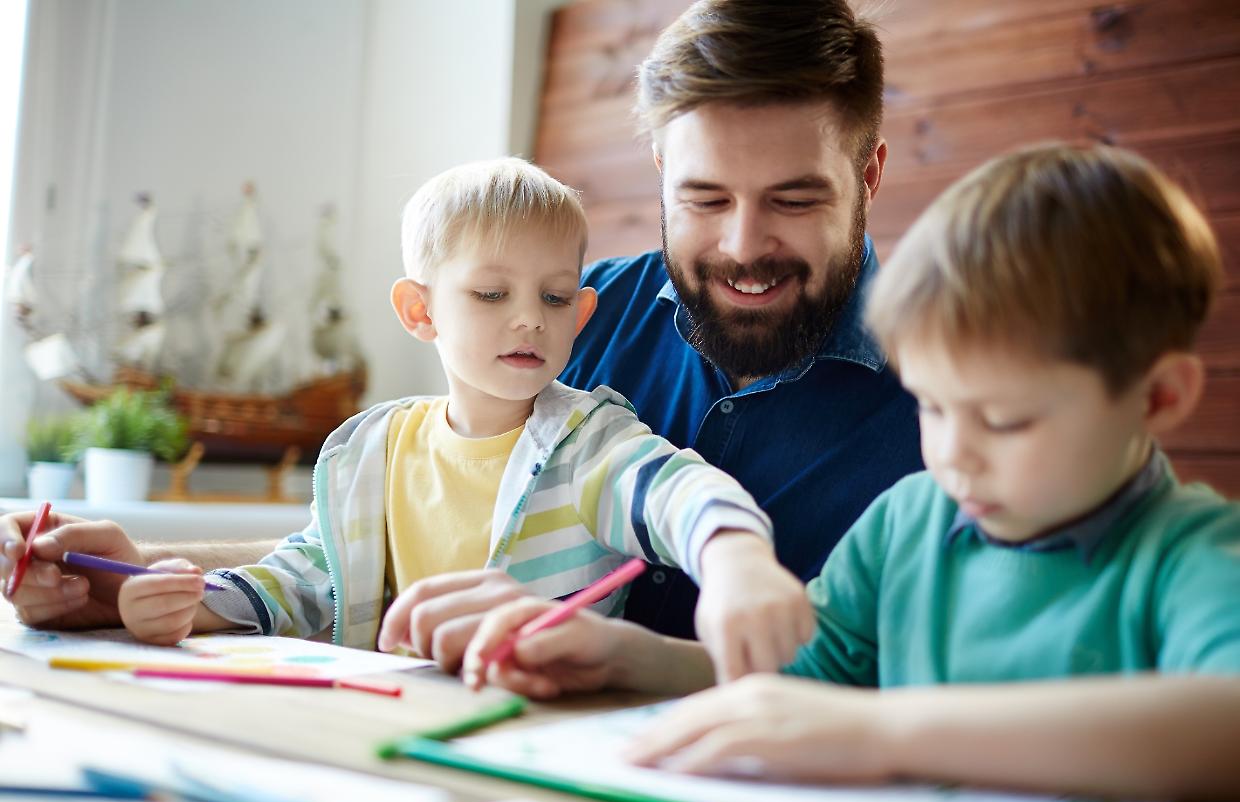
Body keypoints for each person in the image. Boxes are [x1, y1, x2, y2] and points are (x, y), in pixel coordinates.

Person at [2, 0, 922, 661]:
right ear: (658, 169)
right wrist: (140, 579)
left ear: (871, 174)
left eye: (795, 200)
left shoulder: (956, 397)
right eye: (705, 197)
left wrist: (639, 657)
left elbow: (933, 686)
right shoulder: (567, 317)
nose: (743, 245)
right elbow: (370, 542)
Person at [457, 144, 1240, 802]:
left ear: (1159, 396)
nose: (953, 455)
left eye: (1004, 420)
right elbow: (800, 682)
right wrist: (626, 655)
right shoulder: (911, 520)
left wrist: (884, 733)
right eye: (932, 407)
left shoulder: (1190, 554)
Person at [106, 158, 811, 671]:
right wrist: (197, 601)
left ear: (582, 315)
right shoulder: (371, 452)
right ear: (420, 311)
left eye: (556, 297)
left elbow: (681, 492)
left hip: (539, 732)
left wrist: (735, 557)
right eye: (492, 295)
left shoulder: (591, 441)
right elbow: (305, 574)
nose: (531, 319)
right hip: (385, 725)